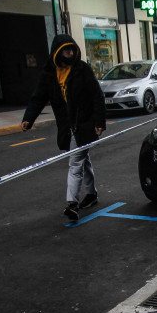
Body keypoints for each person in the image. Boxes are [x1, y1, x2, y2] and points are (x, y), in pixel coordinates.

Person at [21, 34, 106, 221]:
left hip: (83, 123)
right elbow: (39, 97)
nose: (70, 53)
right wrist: (29, 118)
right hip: (66, 125)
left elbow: (96, 96)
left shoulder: (82, 69)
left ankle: (72, 204)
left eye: (72, 49)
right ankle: (91, 194)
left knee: (75, 162)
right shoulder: (50, 73)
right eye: (66, 50)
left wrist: (99, 122)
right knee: (83, 158)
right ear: (57, 52)